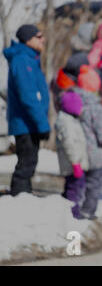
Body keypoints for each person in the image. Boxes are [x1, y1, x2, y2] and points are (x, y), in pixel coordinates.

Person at [3, 25, 50, 196]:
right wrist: (42, 124)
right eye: (39, 36)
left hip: (30, 122)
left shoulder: (30, 59)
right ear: (28, 40)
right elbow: (28, 96)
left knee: (29, 162)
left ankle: (24, 197)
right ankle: (19, 199)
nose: (43, 39)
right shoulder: (22, 60)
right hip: (25, 123)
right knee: (26, 163)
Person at [72, 83, 102, 220]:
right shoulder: (96, 108)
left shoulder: (72, 102)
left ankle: (75, 208)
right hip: (94, 153)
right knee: (94, 184)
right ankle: (88, 211)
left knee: (78, 183)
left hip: (78, 151)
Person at [55, 92, 89, 219]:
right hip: (73, 164)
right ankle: (73, 213)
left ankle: (71, 211)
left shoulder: (71, 120)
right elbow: (69, 144)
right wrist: (75, 163)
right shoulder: (66, 123)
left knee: (75, 187)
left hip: (76, 163)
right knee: (74, 189)